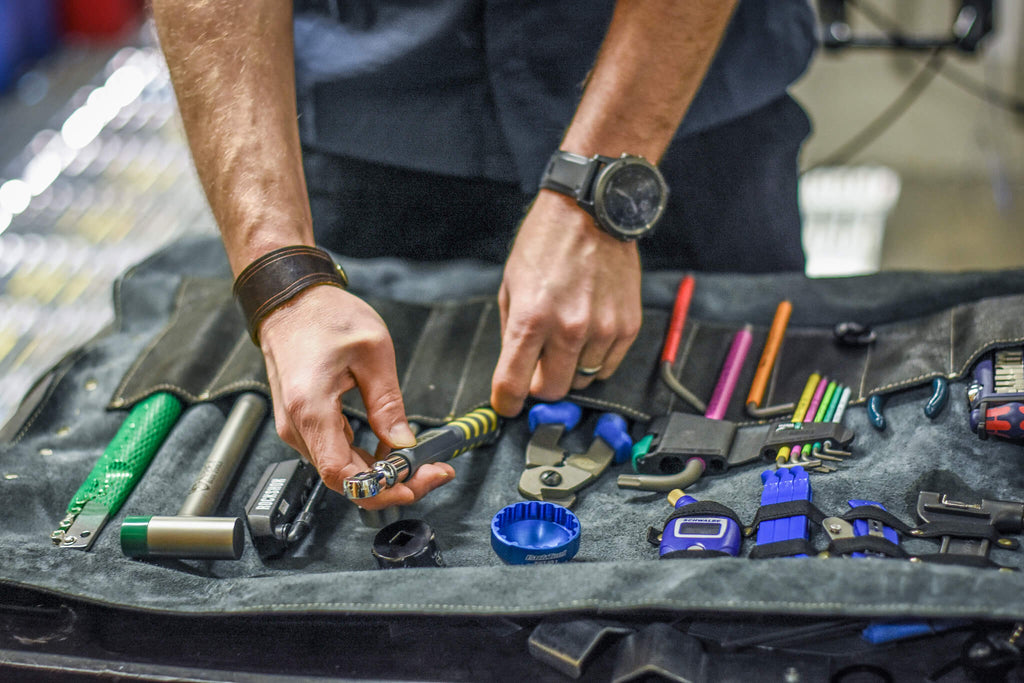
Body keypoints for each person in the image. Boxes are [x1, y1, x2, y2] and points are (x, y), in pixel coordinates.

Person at [150, 0, 816, 509]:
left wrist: (600, 192)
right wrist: (282, 274)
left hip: (678, 108)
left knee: (754, 471)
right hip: (366, 129)